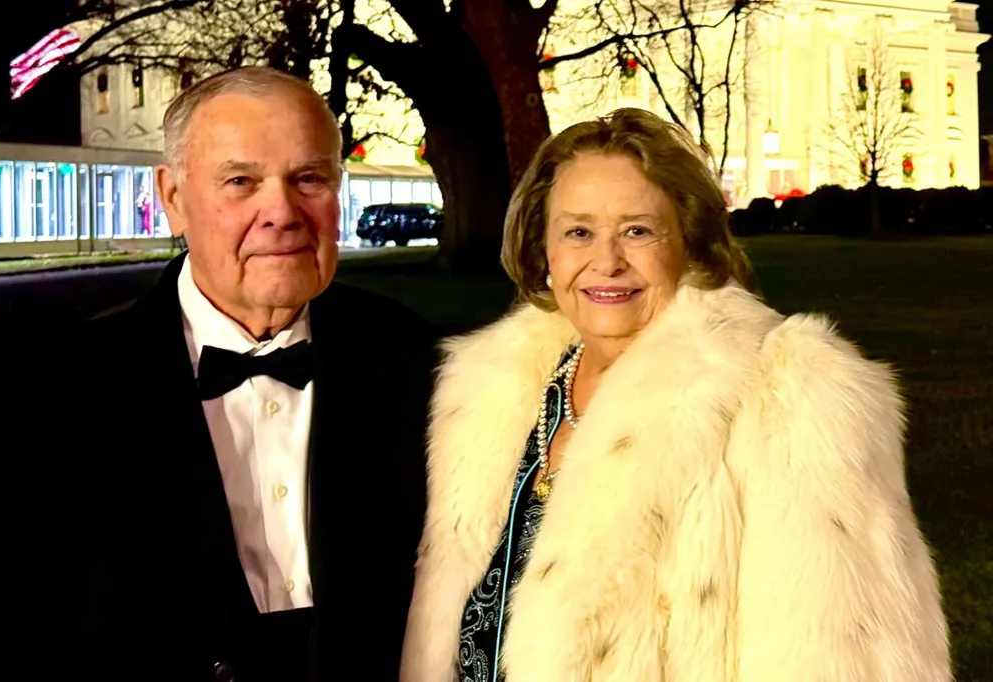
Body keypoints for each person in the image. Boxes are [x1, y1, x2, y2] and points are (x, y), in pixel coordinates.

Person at [400, 108, 949, 682]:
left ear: (691, 244)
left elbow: (842, 657)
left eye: (638, 230)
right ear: (545, 250)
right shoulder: (496, 392)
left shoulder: (790, 396)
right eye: (578, 231)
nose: (606, 260)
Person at [0, 66, 436, 682]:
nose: (280, 211)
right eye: (240, 181)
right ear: (173, 198)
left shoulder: (425, 363)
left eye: (308, 178)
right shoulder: (51, 392)